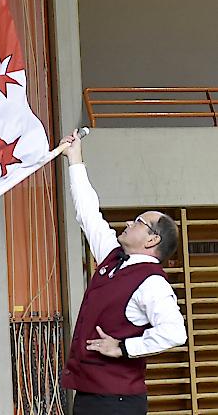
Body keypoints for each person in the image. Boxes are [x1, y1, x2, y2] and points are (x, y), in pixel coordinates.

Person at [59, 129, 187, 415]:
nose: (130, 222)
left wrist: (124, 348)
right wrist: (75, 158)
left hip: (117, 403)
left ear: (152, 239)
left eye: (139, 222)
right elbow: (88, 214)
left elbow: (175, 332)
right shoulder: (113, 257)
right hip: (91, 396)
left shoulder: (152, 283)